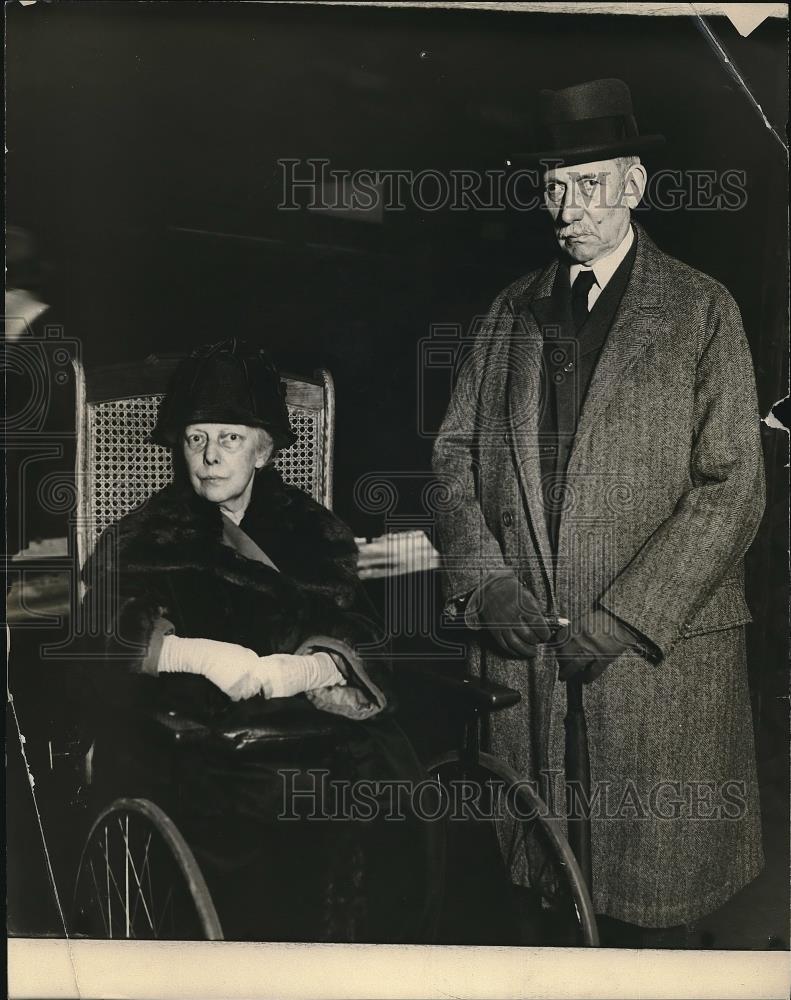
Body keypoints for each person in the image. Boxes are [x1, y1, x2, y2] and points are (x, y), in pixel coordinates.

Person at [432, 79, 765, 946]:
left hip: (658, 667)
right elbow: (454, 462)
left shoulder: (702, 309)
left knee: (653, 924)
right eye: (551, 185)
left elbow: (731, 487)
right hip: (529, 661)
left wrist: (623, 616)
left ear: (633, 185)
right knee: (543, 902)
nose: (565, 208)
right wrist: (485, 585)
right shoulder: (507, 313)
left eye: (586, 184)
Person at [81, 339, 437, 942]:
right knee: (249, 807)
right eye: (197, 438)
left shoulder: (313, 530)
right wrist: (197, 655)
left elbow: (363, 634)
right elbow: (99, 636)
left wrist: (299, 672)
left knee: (388, 786)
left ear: (263, 452)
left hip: (311, 726)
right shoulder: (146, 536)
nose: (211, 458)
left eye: (230, 439)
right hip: (194, 736)